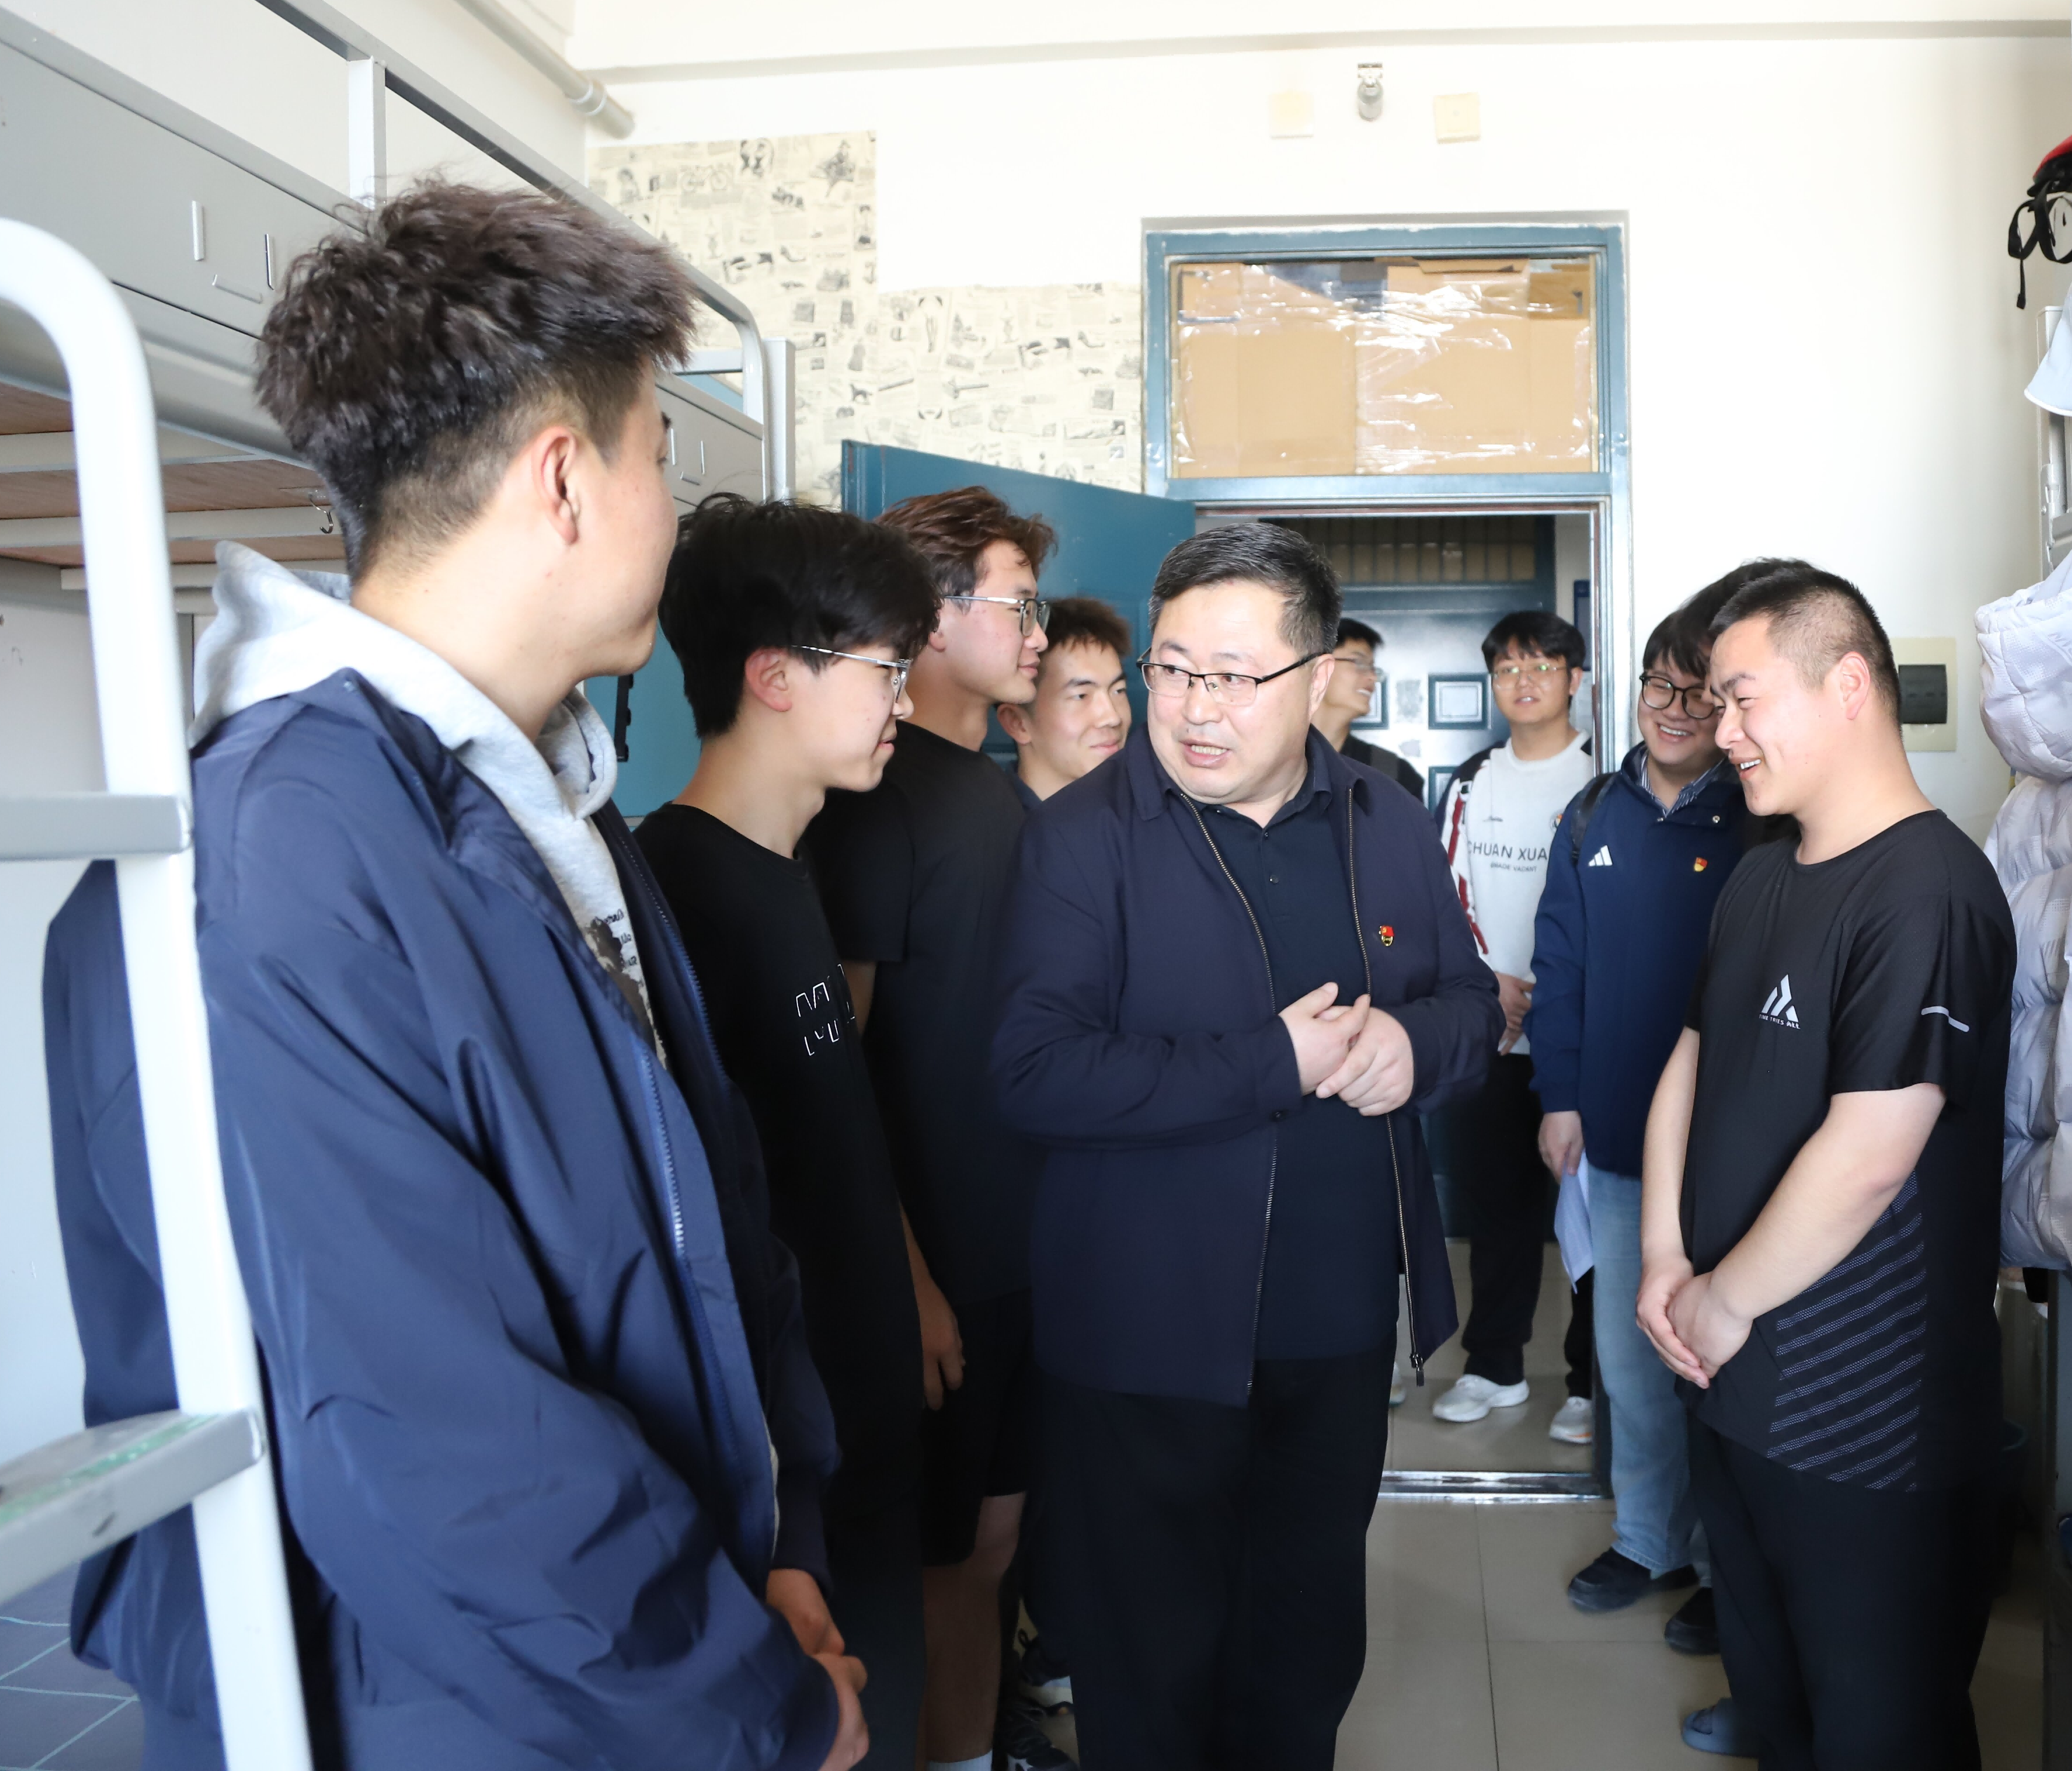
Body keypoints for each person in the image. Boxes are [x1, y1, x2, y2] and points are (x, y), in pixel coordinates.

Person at [39, 182, 865, 1769]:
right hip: (454, 1709)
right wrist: (752, 1705)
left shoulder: (542, 801)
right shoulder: (284, 854)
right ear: (564, 480)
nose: (672, 511)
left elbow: (703, 1220)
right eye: (659, 459)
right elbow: (433, 1440)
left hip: (640, 1662)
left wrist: (779, 1545)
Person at [992, 520, 1502, 1770]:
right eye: (1171, 670)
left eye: (1232, 676)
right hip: (1142, 1334)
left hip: (1334, 1329)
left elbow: (1469, 1003)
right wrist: (1270, 1062)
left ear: (1318, 674)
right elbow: (1035, 1071)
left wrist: (1414, 1045)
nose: (1192, 708)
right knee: (1148, 1669)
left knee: (1301, 1653)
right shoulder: (1084, 836)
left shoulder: (1383, 819)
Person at [1640, 564, 2012, 1770]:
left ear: (1848, 684)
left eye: (1744, 699)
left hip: (1865, 1421)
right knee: (1780, 1711)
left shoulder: (1928, 890)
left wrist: (1721, 1299)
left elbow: (1869, 1152)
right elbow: (1691, 1059)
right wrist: (1662, 1258)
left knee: (1880, 1729)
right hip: (1730, 1384)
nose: (1722, 731)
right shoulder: (1761, 874)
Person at [632, 498, 944, 1769]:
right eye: (883, 670)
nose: (902, 703)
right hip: (794, 1464)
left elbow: (833, 1142)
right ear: (774, 676)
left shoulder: (788, 865)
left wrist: (911, 1290)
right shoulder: (677, 893)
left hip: (863, 1413)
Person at [797, 484, 1054, 1771]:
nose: (1039, 634)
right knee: (937, 1556)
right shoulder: (875, 802)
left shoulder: (995, 793)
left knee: (994, 1543)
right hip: (934, 1265)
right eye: (1020, 605)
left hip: (1015, 1251)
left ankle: (981, 1742)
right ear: (934, 618)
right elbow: (831, 1074)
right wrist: (910, 1283)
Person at [1529, 564, 1802, 1652]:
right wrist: (1558, 1099)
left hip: (1726, 1151)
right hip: (1613, 1139)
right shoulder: (1591, 812)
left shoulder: (1759, 818)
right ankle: (1650, 1540)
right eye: (1660, 687)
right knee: (1631, 1361)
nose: (1678, 710)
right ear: (1631, 691)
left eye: (1701, 693)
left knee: (1723, 1368)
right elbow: (1559, 966)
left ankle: (1731, 1572)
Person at [1429, 609, 1597, 1426]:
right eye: (1507, 669)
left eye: (1542, 666)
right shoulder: (1471, 782)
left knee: (1592, 1214)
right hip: (1493, 1035)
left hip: (1582, 1036)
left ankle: (1591, 1384)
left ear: (1575, 678)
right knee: (1499, 1212)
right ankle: (1494, 1367)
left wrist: (1558, 993)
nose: (1524, 682)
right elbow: (1435, 899)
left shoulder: (1603, 780)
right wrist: (1484, 982)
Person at [998, 594, 1132, 801]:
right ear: (1018, 724)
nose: (1113, 718)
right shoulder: (989, 819)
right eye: (1081, 696)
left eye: (1118, 691)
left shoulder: (1146, 809)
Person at [1318, 615, 1427, 801]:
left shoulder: (1393, 774)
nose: (1373, 678)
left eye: (1372, 668)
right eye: (1359, 663)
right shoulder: (1275, 763)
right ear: (1319, 668)